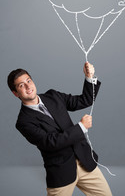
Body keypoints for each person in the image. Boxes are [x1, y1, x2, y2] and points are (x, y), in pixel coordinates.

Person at [7, 62, 112, 196]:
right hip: (61, 173)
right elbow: (50, 143)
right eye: (21, 85)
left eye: (29, 80)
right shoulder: (23, 122)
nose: (28, 86)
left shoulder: (53, 96)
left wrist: (89, 77)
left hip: (85, 161)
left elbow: (85, 100)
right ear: (15, 93)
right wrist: (81, 127)